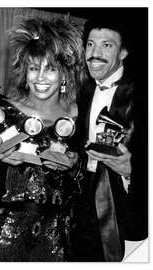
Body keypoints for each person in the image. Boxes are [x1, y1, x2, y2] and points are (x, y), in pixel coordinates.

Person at [0, 18, 86, 261]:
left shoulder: (79, 115)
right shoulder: (5, 110)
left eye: (50, 68)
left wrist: (74, 166)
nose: (40, 77)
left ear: (64, 76)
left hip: (62, 232)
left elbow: (90, 177)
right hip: (7, 231)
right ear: (24, 73)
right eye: (33, 68)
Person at [70, 17, 148, 262]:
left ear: (123, 52)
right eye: (91, 45)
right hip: (81, 200)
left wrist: (131, 170)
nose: (95, 53)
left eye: (107, 45)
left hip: (125, 205)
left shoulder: (144, 96)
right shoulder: (82, 91)